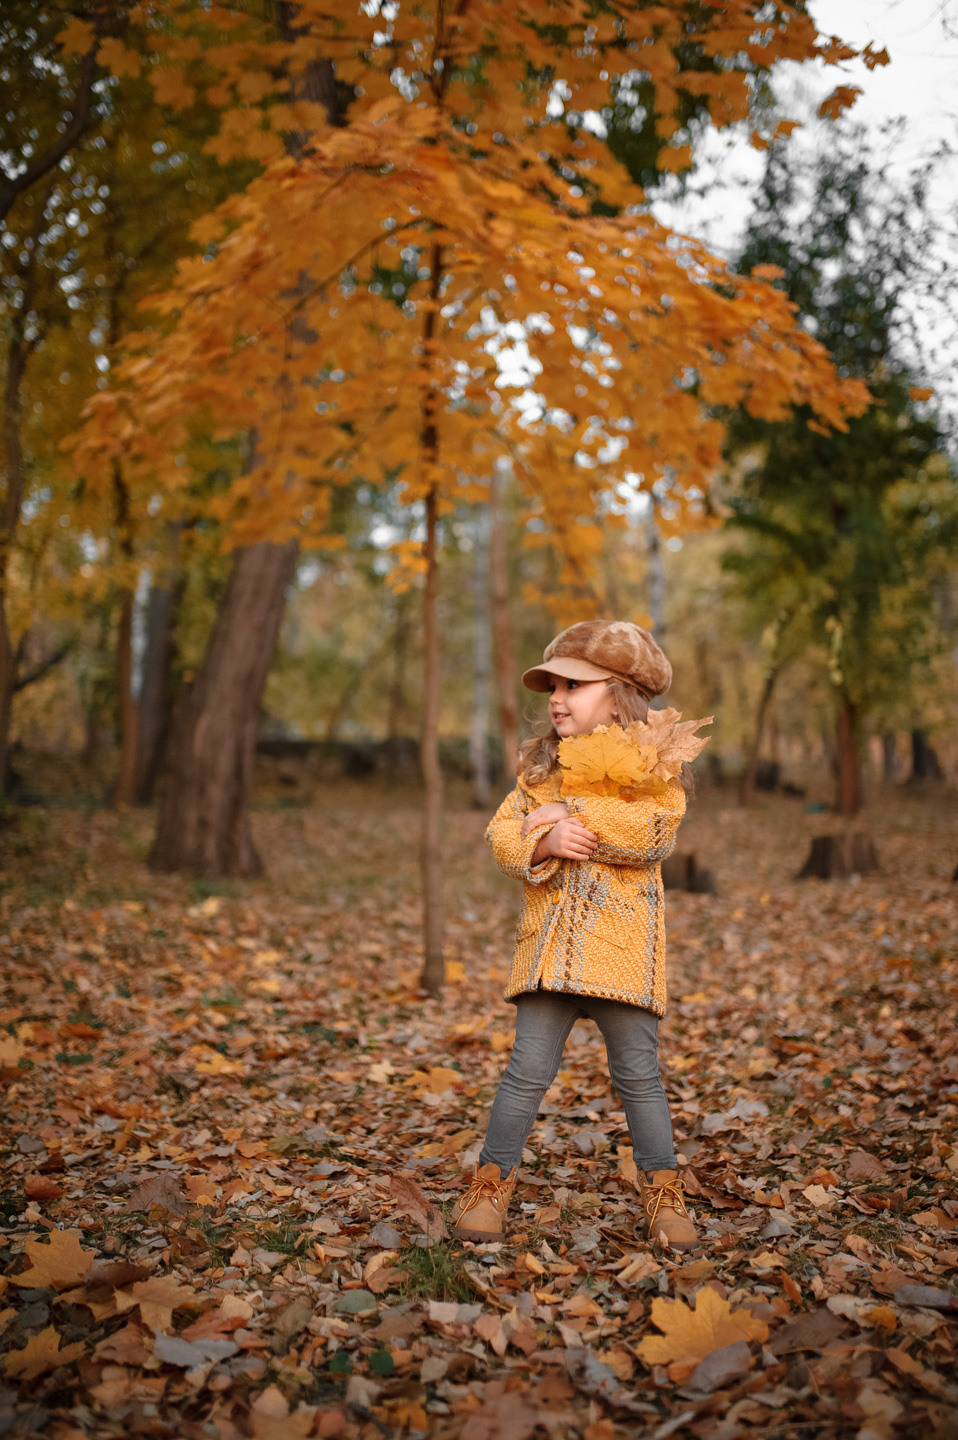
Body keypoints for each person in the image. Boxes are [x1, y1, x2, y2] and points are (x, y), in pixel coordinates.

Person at [451, 620, 698, 1252]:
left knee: (639, 1077)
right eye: (553, 685)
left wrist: (577, 813)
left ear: (619, 695)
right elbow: (504, 833)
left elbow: (653, 834)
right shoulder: (540, 771)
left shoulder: (653, 769)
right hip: (551, 953)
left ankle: (663, 1191)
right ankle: (491, 1181)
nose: (557, 697)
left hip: (622, 955)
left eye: (575, 686)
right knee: (525, 1072)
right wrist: (544, 838)